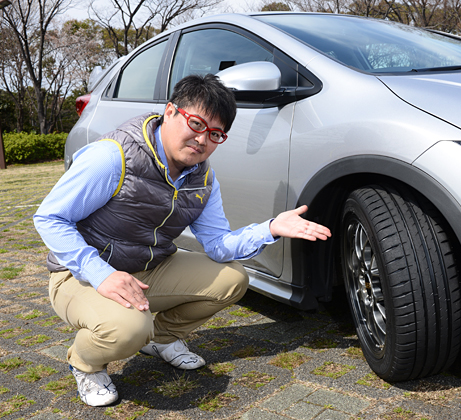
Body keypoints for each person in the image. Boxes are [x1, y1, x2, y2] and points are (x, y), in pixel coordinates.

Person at [33, 74, 331, 407]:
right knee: (130, 327)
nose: (203, 140)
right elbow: (50, 218)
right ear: (170, 111)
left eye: (215, 134)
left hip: (147, 269)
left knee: (233, 278)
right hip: (79, 275)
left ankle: (162, 340)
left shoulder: (203, 178)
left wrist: (271, 228)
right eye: (196, 124)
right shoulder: (113, 156)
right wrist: (101, 274)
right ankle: (86, 364)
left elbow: (218, 245)